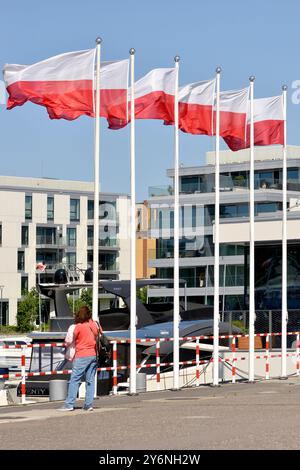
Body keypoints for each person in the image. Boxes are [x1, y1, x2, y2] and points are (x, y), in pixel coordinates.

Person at [57, 306, 102, 411]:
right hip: (94, 355)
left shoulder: (78, 327)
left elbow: (68, 341)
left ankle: (69, 404)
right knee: (90, 380)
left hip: (82, 355)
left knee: (75, 379)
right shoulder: (95, 325)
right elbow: (100, 334)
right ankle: (88, 405)